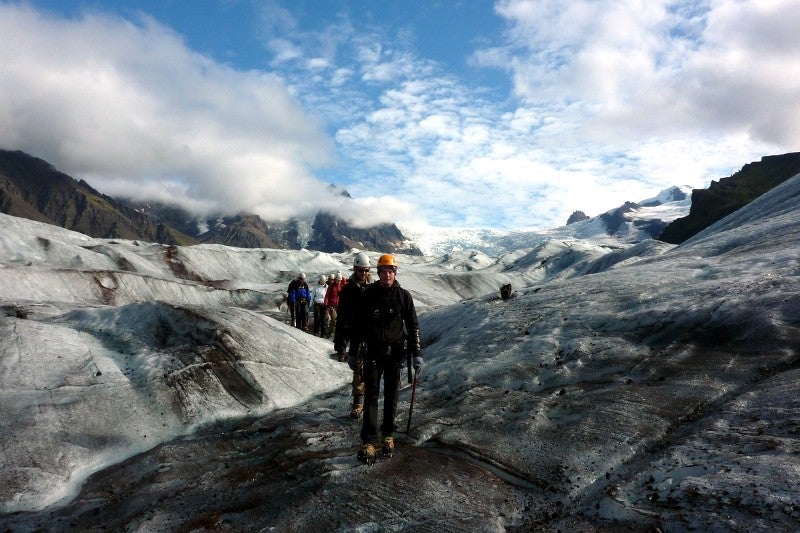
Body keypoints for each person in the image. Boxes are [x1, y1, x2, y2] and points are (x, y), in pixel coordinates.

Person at [349, 253, 422, 465]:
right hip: (373, 352)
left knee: (391, 395)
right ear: (379, 273)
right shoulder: (368, 295)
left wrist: (417, 354)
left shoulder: (403, 296)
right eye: (383, 271)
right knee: (371, 394)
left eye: (391, 271)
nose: (387, 275)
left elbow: (413, 326)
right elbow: (359, 327)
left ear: (394, 273)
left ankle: (387, 435)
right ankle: (369, 441)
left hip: (396, 353)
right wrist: (353, 352)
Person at [334, 252, 372, 418]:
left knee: (374, 370)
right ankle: (358, 403)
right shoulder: (348, 290)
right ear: (355, 269)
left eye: (366, 270)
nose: (363, 274)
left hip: (374, 335)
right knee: (359, 370)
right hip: (357, 335)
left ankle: (371, 402)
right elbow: (342, 319)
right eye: (360, 270)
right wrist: (341, 346)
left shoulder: (375, 288)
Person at [324, 272, 345, 340]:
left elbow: (346, 283)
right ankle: (328, 334)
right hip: (332, 306)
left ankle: (337, 336)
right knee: (333, 320)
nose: (339, 281)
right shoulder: (331, 287)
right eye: (338, 280)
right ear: (335, 279)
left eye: (340, 280)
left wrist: (343, 279)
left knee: (339, 321)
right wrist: (326, 304)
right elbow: (327, 295)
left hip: (339, 306)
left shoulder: (341, 285)